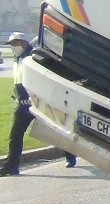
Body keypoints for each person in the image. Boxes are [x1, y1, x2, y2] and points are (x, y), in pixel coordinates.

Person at [1, 33, 76, 177]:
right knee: (15, 135)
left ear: (23, 43)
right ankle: (11, 166)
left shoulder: (34, 57)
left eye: (14, 44)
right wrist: (17, 95)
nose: (12, 47)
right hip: (23, 105)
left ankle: (70, 155)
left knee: (57, 131)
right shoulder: (18, 58)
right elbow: (19, 81)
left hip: (40, 103)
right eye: (10, 44)